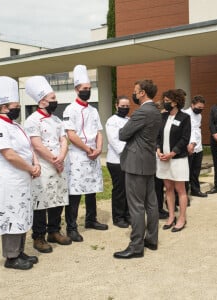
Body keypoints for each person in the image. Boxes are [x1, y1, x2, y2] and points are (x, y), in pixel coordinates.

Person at [0, 76, 41, 270]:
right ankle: (11, 256)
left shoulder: (17, 126)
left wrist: (35, 163)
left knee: (22, 213)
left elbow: (28, 148)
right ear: (3, 107)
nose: (18, 109)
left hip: (21, 176)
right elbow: (9, 154)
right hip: (8, 177)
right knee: (11, 214)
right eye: (15, 106)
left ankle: (19, 250)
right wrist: (31, 168)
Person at [113, 79, 161, 259]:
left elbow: (123, 134)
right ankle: (152, 239)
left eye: (136, 91)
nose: (134, 94)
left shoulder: (142, 112)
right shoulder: (155, 111)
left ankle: (136, 246)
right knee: (151, 203)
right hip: (148, 161)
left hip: (135, 163)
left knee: (136, 206)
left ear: (142, 93)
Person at [24, 76, 71, 254]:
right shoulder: (32, 120)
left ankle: (54, 231)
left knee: (58, 199)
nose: (55, 101)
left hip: (58, 165)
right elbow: (36, 144)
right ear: (42, 101)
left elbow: (63, 140)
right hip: (42, 166)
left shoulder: (58, 120)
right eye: (52, 99)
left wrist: (61, 157)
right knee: (41, 201)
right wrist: (54, 159)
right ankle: (38, 237)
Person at [63, 64, 108, 242]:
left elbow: (99, 131)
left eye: (89, 89)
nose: (87, 91)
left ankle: (91, 220)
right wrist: (87, 149)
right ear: (76, 89)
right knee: (75, 193)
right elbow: (71, 134)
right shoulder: (69, 109)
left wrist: (98, 149)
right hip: (77, 155)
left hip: (93, 155)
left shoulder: (93, 110)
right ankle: (71, 227)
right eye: (84, 89)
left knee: (91, 190)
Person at [156, 89, 191, 232]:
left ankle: (182, 218)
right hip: (163, 158)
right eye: (164, 101)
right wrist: (158, 150)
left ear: (176, 102)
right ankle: (171, 216)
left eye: (168, 101)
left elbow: (185, 139)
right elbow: (157, 136)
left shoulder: (184, 117)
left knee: (180, 189)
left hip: (177, 158)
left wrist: (172, 153)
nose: (165, 103)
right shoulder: (163, 116)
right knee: (168, 188)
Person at [106, 96, 131, 228]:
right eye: (122, 106)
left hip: (129, 160)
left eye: (127, 106)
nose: (125, 108)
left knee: (128, 189)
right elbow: (114, 140)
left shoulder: (129, 120)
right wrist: (126, 152)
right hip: (116, 161)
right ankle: (118, 217)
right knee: (120, 190)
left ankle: (127, 214)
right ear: (116, 106)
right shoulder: (111, 121)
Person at [183, 95, 208, 198]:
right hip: (189, 146)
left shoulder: (199, 116)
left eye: (202, 108)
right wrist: (191, 144)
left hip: (198, 147)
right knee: (186, 171)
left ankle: (195, 190)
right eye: (198, 107)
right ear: (192, 104)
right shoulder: (185, 114)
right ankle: (184, 194)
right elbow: (187, 131)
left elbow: (197, 130)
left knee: (195, 170)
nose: (200, 110)